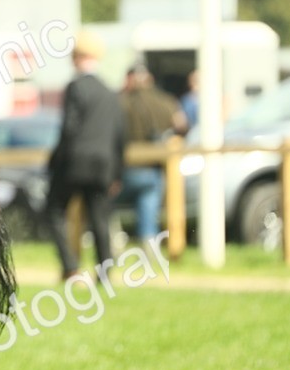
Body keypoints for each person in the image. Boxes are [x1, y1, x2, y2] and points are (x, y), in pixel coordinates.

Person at [45, 32, 127, 281]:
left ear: (78, 57)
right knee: (100, 220)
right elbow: (120, 137)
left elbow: (69, 128)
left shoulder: (75, 87)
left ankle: (70, 266)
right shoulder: (110, 92)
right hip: (103, 166)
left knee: (54, 210)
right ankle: (104, 273)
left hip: (75, 163)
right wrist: (117, 173)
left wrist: (54, 161)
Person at [119, 63, 186, 246]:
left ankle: (112, 241)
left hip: (124, 169)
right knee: (148, 206)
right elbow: (181, 125)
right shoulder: (166, 101)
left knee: (104, 204)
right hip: (152, 169)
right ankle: (149, 246)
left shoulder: (120, 101)